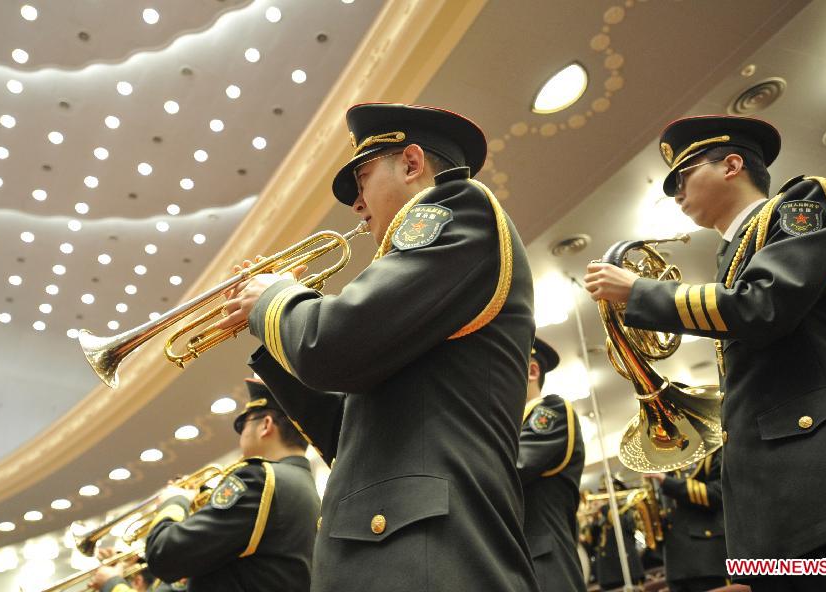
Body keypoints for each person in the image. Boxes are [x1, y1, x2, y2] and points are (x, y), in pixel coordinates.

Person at [220, 103, 539, 591]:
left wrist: (277, 300)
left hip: (425, 554)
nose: (355, 202)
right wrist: (269, 328)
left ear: (411, 165)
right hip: (392, 550)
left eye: (362, 176)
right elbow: (345, 437)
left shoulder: (456, 208)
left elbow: (333, 345)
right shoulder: (421, 288)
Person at [583, 115, 826, 591]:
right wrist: (749, 557)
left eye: (682, 176)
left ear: (731, 164)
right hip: (776, 513)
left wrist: (641, 292)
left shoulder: (802, 204)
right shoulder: (733, 256)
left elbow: (763, 306)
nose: (675, 192)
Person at [140, 378, 319, 591]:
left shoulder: (258, 478)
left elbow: (165, 556)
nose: (241, 434)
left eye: (243, 424)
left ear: (265, 425)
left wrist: (174, 502)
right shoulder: (304, 487)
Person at [519, 337, 586, 591]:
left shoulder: (552, 411)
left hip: (545, 564)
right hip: (523, 559)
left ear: (532, 371)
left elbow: (515, 465)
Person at [645, 449, 729, 592]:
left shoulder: (710, 453)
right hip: (675, 564)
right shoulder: (666, 464)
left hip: (706, 559)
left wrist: (669, 483)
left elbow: (717, 495)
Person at [586, 479, 644, 591]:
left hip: (626, 569)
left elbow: (620, 525)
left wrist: (605, 508)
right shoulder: (602, 516)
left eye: (605, 493)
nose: (602, 498)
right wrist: (593, 521)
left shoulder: (627, 509)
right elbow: (593, 544)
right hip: (607, 574)